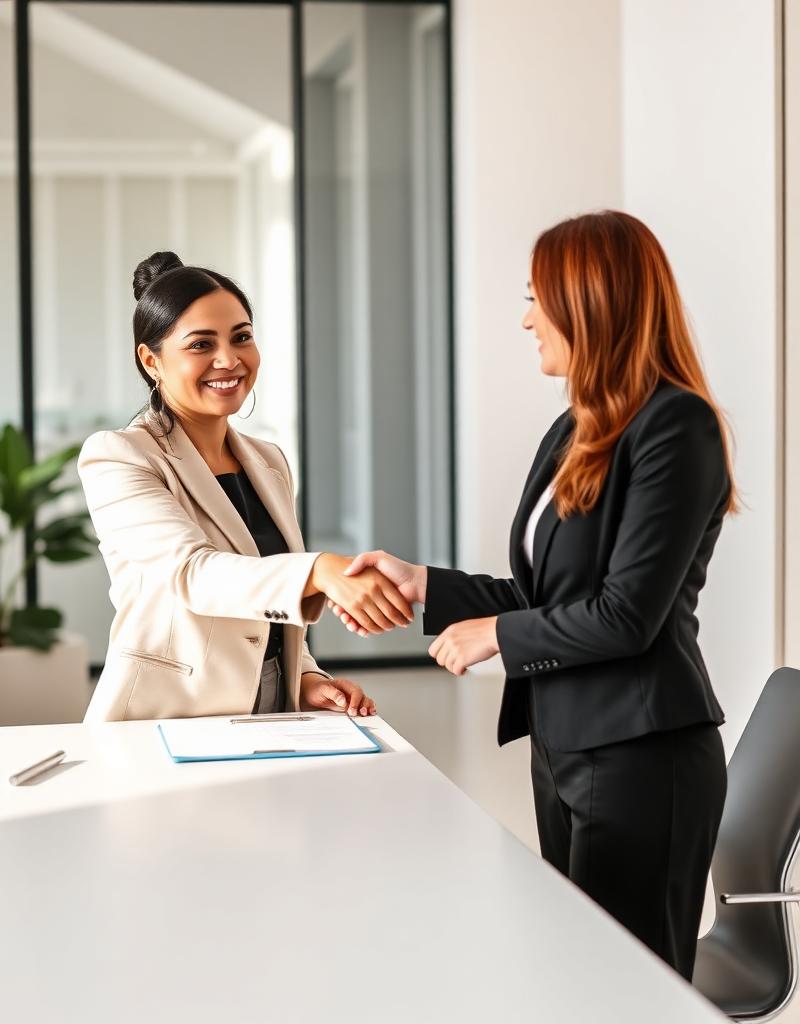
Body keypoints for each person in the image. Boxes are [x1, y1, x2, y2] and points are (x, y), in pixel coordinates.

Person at [329, 210, 738, 980]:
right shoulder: (575, 428)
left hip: (642, 756)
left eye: (535, 300)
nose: (526, 320)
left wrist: (494, 635)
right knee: (576, 976)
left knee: (626, 992)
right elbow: (544, 591)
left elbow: (626, 616)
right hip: (563, 745)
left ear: (591, 303)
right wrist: (427, 585)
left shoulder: (677, 425)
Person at [78, 251, 412, 723]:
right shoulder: (120, 455)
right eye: (201, 344)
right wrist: (319, 569)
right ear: (151, 361)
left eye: (241, 337)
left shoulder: (269, 461)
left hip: (270, 706)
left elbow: (263, 597)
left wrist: (305, 677)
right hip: (168, 716)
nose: (229, 359)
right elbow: (192, 573)